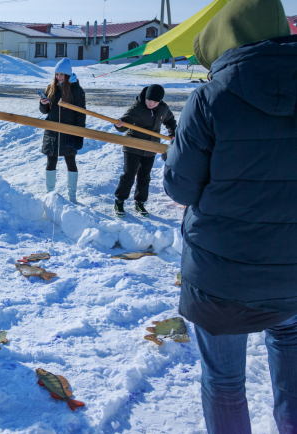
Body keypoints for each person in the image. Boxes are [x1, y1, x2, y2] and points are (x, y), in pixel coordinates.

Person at [163, 0, 297, 431]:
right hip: (293, 274)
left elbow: (180, 187)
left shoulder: (210, 98)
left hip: (221, 278)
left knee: (224, 383)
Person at [113, 84, 176, 218]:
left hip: (150, 147)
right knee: (129, 174)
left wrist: (173, 132)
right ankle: (120, 200)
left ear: (160, 101)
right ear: (145, 97)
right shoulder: (137, 108)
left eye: (155, 102)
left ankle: (140, 201)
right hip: (133, 145)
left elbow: (170, 120)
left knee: (144, 176)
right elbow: (125, 123)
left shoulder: (163, 109)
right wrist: (119, 124)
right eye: (149, 100)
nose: (151, 104)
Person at [38, 58, 86, 203]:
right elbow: (45, 111)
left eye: (62, 74)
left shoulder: (76, 90)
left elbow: (80, 114)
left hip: (68, 132)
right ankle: (50, 194)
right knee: (50, 162)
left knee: (70, 162)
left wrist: (79, 135)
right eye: (57, 74)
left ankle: (72, 197)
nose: (59, 77)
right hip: (52, 131)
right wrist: (43, 104)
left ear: (68, 74)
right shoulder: (51, 87)